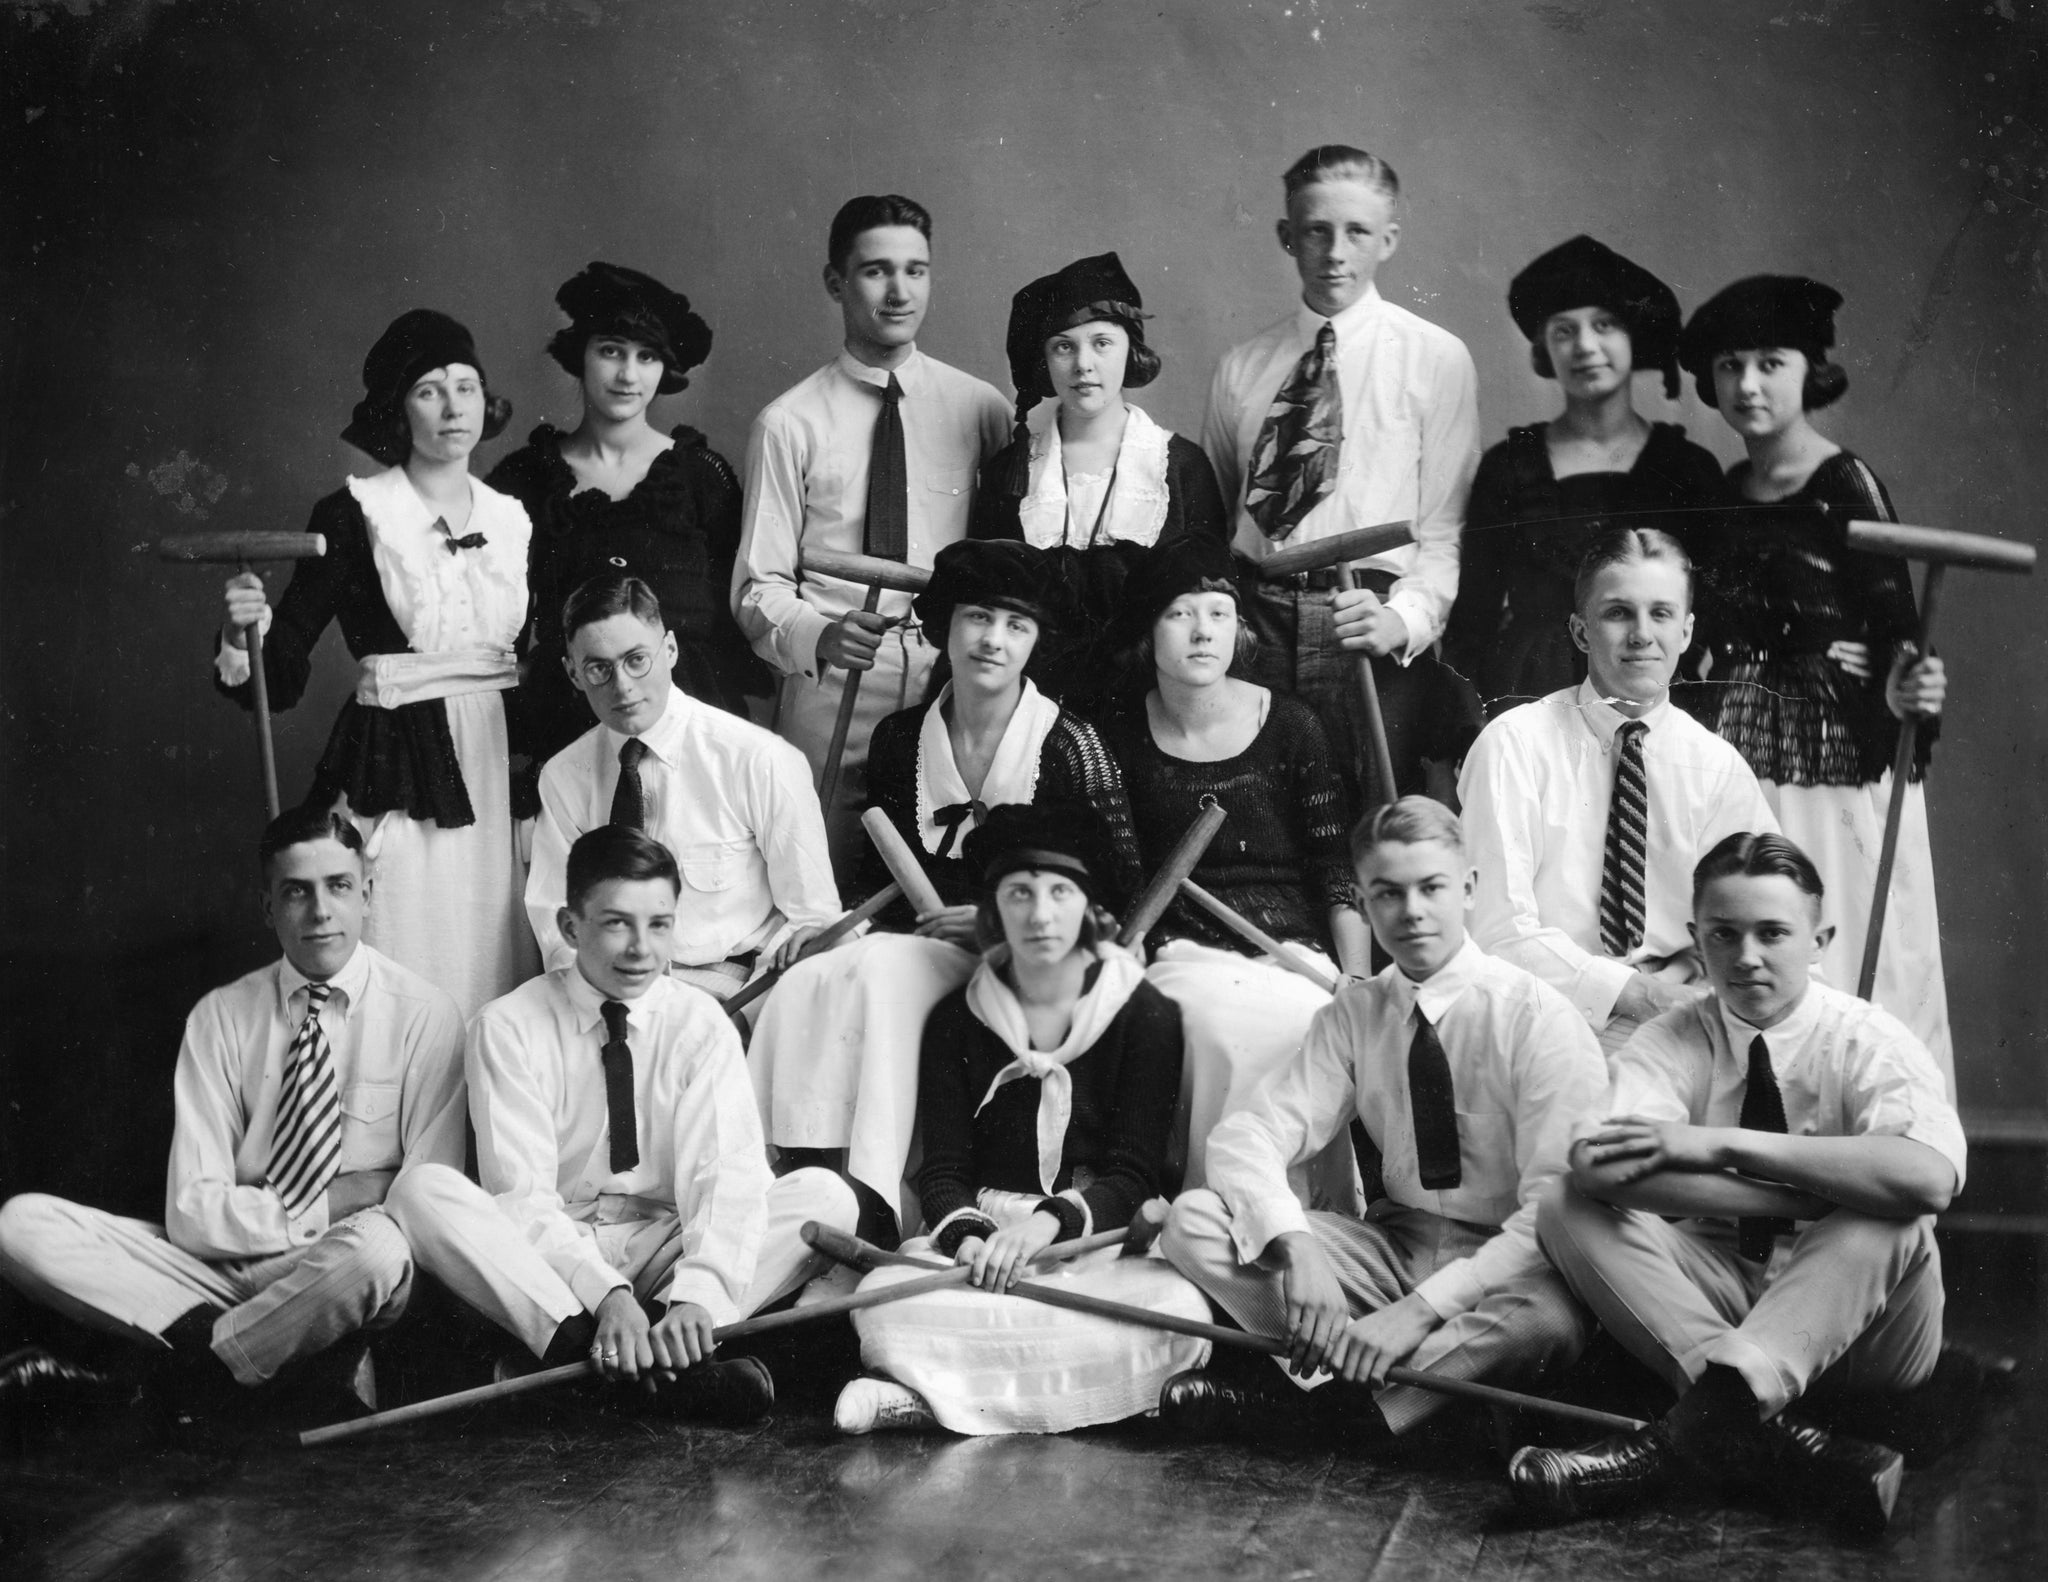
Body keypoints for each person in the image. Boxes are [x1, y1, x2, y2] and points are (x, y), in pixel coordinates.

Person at [1508, 833, 1964, 1537]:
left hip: (1865, 1331)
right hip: (1721, 1289)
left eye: (1773, 933)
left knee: (1889, 1215)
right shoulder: (1674, 1035)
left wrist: (1722, 1142)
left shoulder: (1869, 1039)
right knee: (1569, 1201)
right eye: (1724, 934)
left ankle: (1658, 1449)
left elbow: (1931, 1178)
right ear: (1697, 939)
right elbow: (1600, 1166)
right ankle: (1743, 1425)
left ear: (1819, 939)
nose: (1747, 956)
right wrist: (1800, 1197)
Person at [1156, 798, 1605, 1452]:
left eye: (1432, 888)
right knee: (1193, 1220)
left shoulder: (1536, 1017)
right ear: (1363, 904)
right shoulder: (1354, 1015)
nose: (1412, 911)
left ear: (1470, 889)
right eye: (1388, 894)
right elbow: (1249, 1137)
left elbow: (1552, 1212)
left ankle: (1332, 1418)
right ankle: (1429, 1398)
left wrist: (1418, 1314)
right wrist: (1297, 1249)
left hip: (1509, 1262)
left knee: (1549, 1321)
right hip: (1396, 1248)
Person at [0, 809, 464, 1423]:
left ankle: (180, 1376)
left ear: (368, 895)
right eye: (296, 891)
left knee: (380, 1249)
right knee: (21, 1223)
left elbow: (422, 1208)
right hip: (213, 1269)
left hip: (332, 1273)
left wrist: (333, 1222)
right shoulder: (221, 1016)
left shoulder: (426, 1015)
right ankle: (242, 1372)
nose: (320, 910)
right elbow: (191, 1212)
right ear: (267, 907)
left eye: (339, 886)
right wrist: (327, 1202)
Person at [388, 826, 861, 1425]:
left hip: (665, 1248)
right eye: (616, 923)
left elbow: (727, 1176)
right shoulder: (507, 1026)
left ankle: (622, 1365)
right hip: (559, 1262)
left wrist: (699, 1296)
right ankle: (653, 1378)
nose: (641, 947)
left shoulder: (700, 1022)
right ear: (569, 927)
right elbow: (523, 1199)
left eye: (659, 924)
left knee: (824, 1197)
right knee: (420, 1190)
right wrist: (604, 1294)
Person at [750, 540, 1141, 1237]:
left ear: (1036, 643)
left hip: (1038, 963)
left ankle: (878, 1202)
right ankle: (810, 1179)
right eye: (977, 618)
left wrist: (995, 927)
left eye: (1016, 626)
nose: (993, 640)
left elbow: (1117, 905)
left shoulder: (1069, 745)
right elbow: (877, 884)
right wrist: (832, 929)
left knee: (880, 973)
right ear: (944, 626)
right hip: (922, 943)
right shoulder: (902, 738)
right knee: (816, 975)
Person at [830, 803, 1209, 1436]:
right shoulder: (959, 1017)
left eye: (1061, 892)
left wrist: (1045, 1228)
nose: (1040, 914)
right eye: (1019, 893)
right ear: (992, 910)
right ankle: (929, 1400)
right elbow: (945, 1168)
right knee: (884, 1304)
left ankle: (934, 1403)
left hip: (1095, 1240)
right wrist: (969, 1238)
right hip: (984, 1237)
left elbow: (1134, 1174)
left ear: (1089, 908)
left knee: (1177, 1306)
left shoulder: (1144, 1014)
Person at [216, 308, 536, 1017]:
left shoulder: (514, 517)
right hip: (397, 760)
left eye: (467, 386)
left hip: (496, 758)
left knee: (492, 959)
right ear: (398, 408)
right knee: (403, 950)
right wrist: (248, 632)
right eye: (429, 390)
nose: (454, 407)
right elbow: (286, 663)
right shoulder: (356, 513)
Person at [1678, 276, 1952, 1090]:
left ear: (1810, 371)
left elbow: (1899, 626)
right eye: (1730, 366)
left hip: (1838, 753)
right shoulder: (1725, 496)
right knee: (1758, 918)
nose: (1749, 385)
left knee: (1849, 925)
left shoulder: (1844, 485)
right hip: (1745, 742)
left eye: (1771, 362)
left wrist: (1907, 685)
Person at [734, 194, 1013, 875]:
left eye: (916, 271)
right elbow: (756, 588)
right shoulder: (788, 423)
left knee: (951, 871)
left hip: (952, 678)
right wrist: (821, 636)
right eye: (876, 272)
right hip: (834, 679)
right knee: (819, 873)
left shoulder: (981, 408)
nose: (899, 293)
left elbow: (1009, 564)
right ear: (836, 282)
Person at [1202, 145, 1480, 806]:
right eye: (1317, 230)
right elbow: (1216, 519)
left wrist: (1404, 621)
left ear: (1388, 240)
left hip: (1365, 618)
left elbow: (1443, 529)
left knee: (1368, 819)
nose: (1335, 251)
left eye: (1356, 232)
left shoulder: (1435, 359)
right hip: (1257, 623)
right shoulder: (1242, 368)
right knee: (1260, 811)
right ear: (1286, 236)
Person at [1098, 536, 1366, 1204]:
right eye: (1180, 614)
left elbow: (1335, 874)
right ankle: (1212, 1213)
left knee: (1312, 1022)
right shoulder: (1118, 735)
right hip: (1179, 948)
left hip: (1295, 949)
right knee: (1218, 1026)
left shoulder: (1295, 726)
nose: (1202, 633)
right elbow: (1128, 889)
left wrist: (1356, 979)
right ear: (1147, 631)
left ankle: (1307, 1220)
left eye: (1218, 613)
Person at [1458, 529, 1778, 1053]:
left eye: (1661, 614)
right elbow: (1495, 931)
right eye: (1617, 613)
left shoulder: (1716, 765)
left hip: (1688, 1017)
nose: (1641, 635)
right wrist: (1641, 996)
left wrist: (1692, 991)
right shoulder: (1514, 744)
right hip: (1548, 1015)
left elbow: (1764, 911)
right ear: (1580, 632)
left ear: (1687, 631)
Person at [489, 262, 762, 768]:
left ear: (665, 368)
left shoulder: (700, 476)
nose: (627, 374)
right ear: (581, 356)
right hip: (564, 714)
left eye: (647, 356)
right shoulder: (526, 478)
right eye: (610, 350)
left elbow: (738, 609)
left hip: (690, 712)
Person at [525, 573, 839, 1003]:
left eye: (636, 659)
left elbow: (812, 918)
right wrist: (596, 1005)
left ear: (669, 649)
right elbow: (554, 918)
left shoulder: (758, 758)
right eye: (599, 668)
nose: (623, 686)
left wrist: (744, 1019)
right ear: (574, 674)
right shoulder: (564, 775)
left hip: (733, 986)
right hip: (611, 988)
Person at [1444, 235, 1723, 716]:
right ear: (1544, 349)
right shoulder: (1509, 467)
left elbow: (1719, 615)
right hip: (1526, 693)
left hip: (1654, 695)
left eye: (1605, 325)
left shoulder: (1687, 468)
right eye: (1564, 331)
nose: (1586, 347)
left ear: (1633, 337)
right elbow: (1472, 621)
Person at [969, 251, 1228, 713]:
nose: (1083, 365)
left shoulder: (1179, 466)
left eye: (1101, 343)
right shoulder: (1010, 472)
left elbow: (1215, 611)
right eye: (1063, 346)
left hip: (1154, 712)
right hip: (1033, 709)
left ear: (1130, 350)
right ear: (1044, 360)